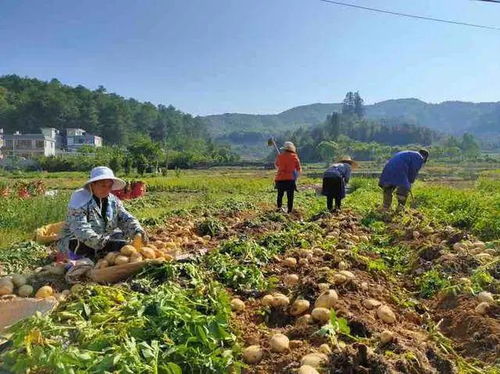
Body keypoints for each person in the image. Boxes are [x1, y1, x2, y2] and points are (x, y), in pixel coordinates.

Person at [58, 166, 148, 260]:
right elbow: (80, 229)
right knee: (77, 243)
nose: (107, 189)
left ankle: (102, 252)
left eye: (109, 186)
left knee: (120, 236)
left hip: (102, 239)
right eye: (103, 185)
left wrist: (137, 230)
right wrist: (106, 243)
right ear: (92, 184)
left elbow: (125, 218)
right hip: (78, 240)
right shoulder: (79, 199)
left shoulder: (113, 200)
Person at [275, 141, 302, 213]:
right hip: (290, 179)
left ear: (284, 149)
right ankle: (289, 211)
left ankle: (279, 208)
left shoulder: (280, 156)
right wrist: (296, 178)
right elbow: (299, 169)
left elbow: (277, 165)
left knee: (280, 195)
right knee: (290, 196)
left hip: (280, 179)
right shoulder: (294, 156)